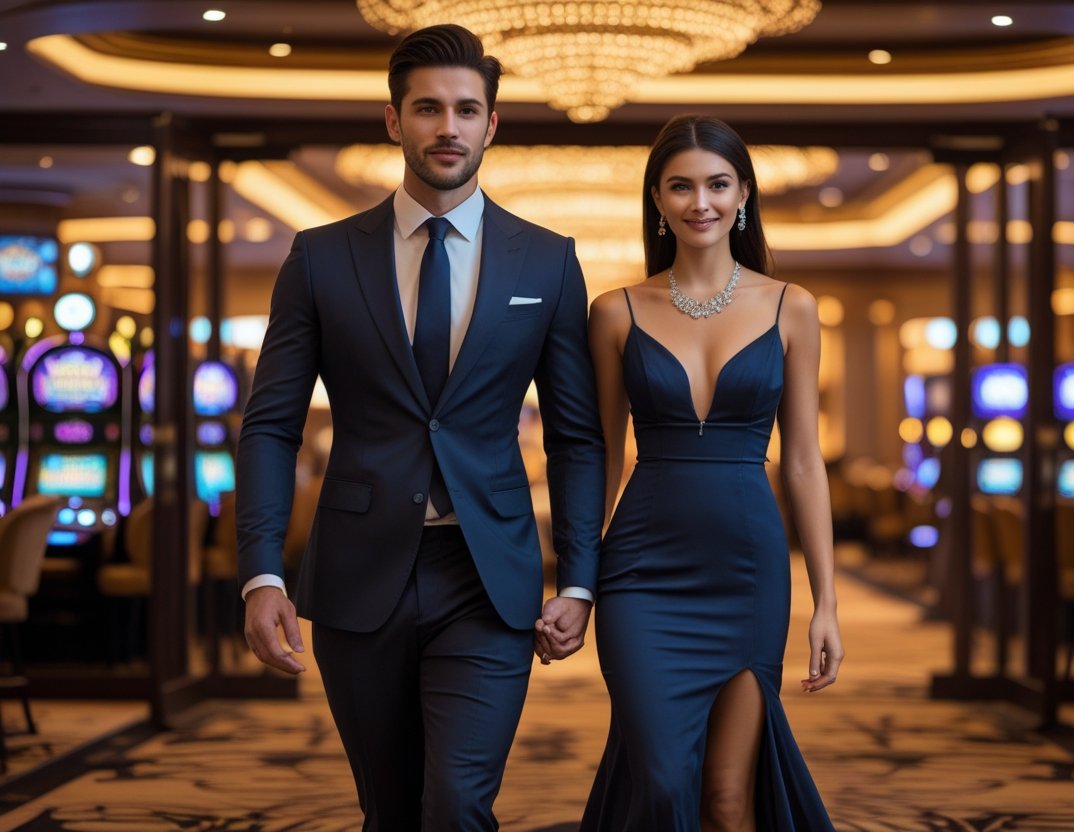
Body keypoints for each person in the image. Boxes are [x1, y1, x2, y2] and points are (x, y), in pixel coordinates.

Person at [236, 24, 604, 830]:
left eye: (467, 110)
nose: (449, 127)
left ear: (492, 125)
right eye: (429, 108)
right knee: (391, 808)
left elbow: (578, 437)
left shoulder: (547, 262)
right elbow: (270, 426)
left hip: (488, 577)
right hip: (357, 576)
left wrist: (580, 579)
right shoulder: (321, 257)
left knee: (459, 804)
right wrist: (262, 571)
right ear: (394, 121)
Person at [579, 115, 842, 831]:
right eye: (682, 186)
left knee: (729, 799)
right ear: (658, 200)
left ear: (744, 194)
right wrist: (578, 576)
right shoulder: (615, 313)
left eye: (718, 184)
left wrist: (826, 601)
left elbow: (804, 462)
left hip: (748, 571)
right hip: (640, 574)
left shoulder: (794, 309)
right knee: (663, 782)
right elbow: (600, 454)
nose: (702, 202)